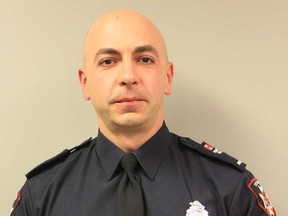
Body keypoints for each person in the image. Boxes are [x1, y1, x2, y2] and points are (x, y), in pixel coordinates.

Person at [11, 10, 276, 216]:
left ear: (168, 77)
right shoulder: (42, 195)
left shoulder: (229, 187)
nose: (128, 76)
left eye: (145, 59)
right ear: (85, 82)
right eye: (108, 61)